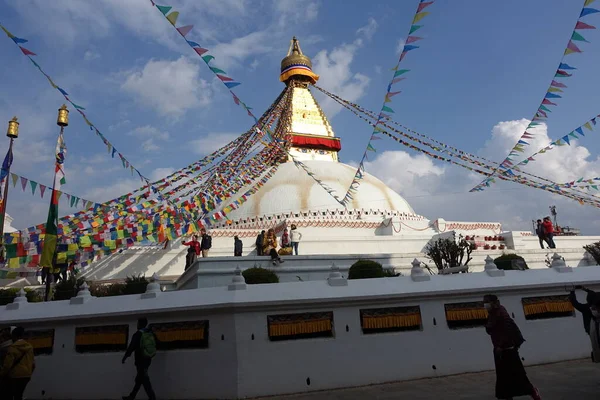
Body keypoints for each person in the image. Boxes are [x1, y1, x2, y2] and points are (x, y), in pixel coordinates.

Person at [484, 294, 541, 400]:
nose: (485, 304)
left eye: (487, 302)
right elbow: (490, 329)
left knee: (518, 375)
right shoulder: (491, 314)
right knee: (503, 378)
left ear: (494, 302)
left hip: (508, 350)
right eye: (484, 302)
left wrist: (501, 345)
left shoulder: (502, 312)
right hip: (499, 350)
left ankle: (533, 391)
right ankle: (507, 397)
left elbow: (508, 329)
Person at [122, 318, 157, 400]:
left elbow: (131, 346)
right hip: (148, 359)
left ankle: (152, 398)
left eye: (138, 323)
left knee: (144, 380)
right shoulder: (150, 333)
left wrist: (125, 357)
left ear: (140, 324)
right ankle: (131, 396)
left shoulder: (138, 334)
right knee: (139, 379)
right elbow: (157, 343)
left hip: (140, 360)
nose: (137, 325)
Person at [0, 327, 35, 400]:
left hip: (15, 376)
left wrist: (2, 374)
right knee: (19, 395)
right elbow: (33, 364)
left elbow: (7, 365)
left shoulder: (13, 348)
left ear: (14, 336)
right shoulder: (30, 347)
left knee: (8, 395)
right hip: (26, 376)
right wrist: (29, 373)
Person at [569, 286, 600, 362]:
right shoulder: (586, 308)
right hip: (593, 331)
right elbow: (575, 303)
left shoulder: (587, 307)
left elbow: (574, 302)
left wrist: (573, 292)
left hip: (593, 330)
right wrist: (584, 289)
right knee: (596, 345)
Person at [0, 328, 13, 400]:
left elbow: (5, 365)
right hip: (13, 375)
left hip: (4, 374)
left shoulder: (3, 349)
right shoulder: (13, 347)